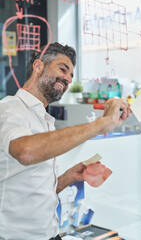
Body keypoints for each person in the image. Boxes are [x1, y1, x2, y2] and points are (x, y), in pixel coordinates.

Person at [0, 42, 131, 240]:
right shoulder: (9, 108)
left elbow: (37, 189)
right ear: (38, 66)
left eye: (71, 75)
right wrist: (101, 124)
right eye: (63, 69)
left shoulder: (44, 120)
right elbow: (25, 151)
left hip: (51, 234)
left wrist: (69, 177)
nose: (68, 79)